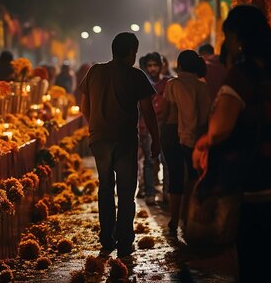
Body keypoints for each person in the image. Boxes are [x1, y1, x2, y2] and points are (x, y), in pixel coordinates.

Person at [193, 5, 271, 282]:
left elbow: (221, 130)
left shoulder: (243, 73)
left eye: (229, 36)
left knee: (257, 265)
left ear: (237, 37)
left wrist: (204, 142)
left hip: (262, 181)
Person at [79, 32, 161, 257]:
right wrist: (156, 139)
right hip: (124, 140)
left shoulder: (94, 72)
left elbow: (84, 106)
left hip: (99, 140)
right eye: (135, 51)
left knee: (105, 187)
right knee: (126, 192)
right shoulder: (136, 76)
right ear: (132, 52)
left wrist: (96, 125)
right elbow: (148, 112)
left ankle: (107, 239)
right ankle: (124, 241)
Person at [161, 50, 211, 234]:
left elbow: (166, 111)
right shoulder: (202, 86)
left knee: (175, 174)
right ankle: (186, 215)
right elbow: (205, 115)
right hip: (196, 135)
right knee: (192, 174)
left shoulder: (172, 84)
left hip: (171, 133)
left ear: (180, 66)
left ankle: (174, 219)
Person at [137, 52, 170, 206]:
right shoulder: (143, 83)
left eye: (155, 65)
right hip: (147, 127)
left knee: (165, 160)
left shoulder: (168, 83)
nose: (152, 69)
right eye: (149, 66)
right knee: (150, 161)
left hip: (164, 126)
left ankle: (167, 193)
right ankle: (150, 193)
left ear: (160, 66)